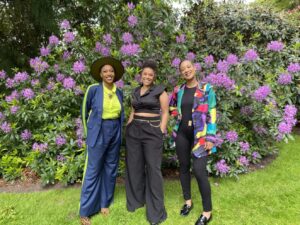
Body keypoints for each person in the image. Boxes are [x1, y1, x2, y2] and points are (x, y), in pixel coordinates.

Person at [169, 59, 217, 225]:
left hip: (200, 136)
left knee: (199, 170)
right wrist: (177, 115)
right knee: (183, 167)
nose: (186, 70)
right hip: (182, 134)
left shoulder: (206, 89)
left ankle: (207, 212)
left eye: (188, 67)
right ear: (181, 73)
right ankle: (188, 202)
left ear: (194, 68)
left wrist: (211, 137)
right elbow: (172, 107)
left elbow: (212, 112)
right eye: (183, 69)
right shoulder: (179, 90)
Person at [79, 57, 125, 225]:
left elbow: (121, 114)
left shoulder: (119, 92)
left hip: (114, 132)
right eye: (105, 71)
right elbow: (84, 113)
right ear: (100, 74)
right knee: (92, 170)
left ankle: (105, 203)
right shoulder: (93, 90)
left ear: (115, 74)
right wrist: (89, 134)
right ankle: (85, 211)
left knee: (110, 168)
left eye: (111, 71)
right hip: (98, 132)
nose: (108, 73)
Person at [125, 60, 169, 225]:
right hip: (134, 131)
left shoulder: (160, 91)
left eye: (150, 74)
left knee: (153, 169)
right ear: (141, 75)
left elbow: (165, 112)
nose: (147, 76)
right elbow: (133, 110)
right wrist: (128, 126)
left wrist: (161, 129)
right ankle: (136, 201)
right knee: (134, 167)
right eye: (145, 74)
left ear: (154, 76)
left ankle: (156, 211)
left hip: (152, 132)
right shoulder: (136, 91)